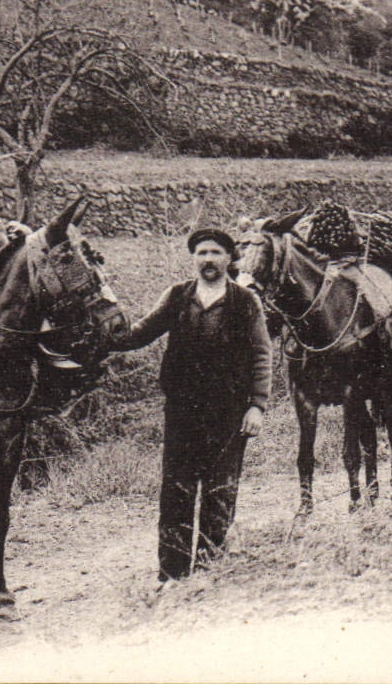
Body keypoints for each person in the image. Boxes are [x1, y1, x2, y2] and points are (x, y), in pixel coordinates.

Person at [119, 228, 272, 588]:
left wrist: (257, 406)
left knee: (220, 493)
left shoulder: (245, 301)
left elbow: (262, 354)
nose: (208, 259)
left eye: (216, 253)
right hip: (183, 412)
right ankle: (172, 573)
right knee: (176, 491)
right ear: (193, 258)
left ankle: (209, 570)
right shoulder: (177, 296)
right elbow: (140, 332)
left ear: (228, 259)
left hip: (229, 413)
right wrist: (105, 336)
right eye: (201, 252)